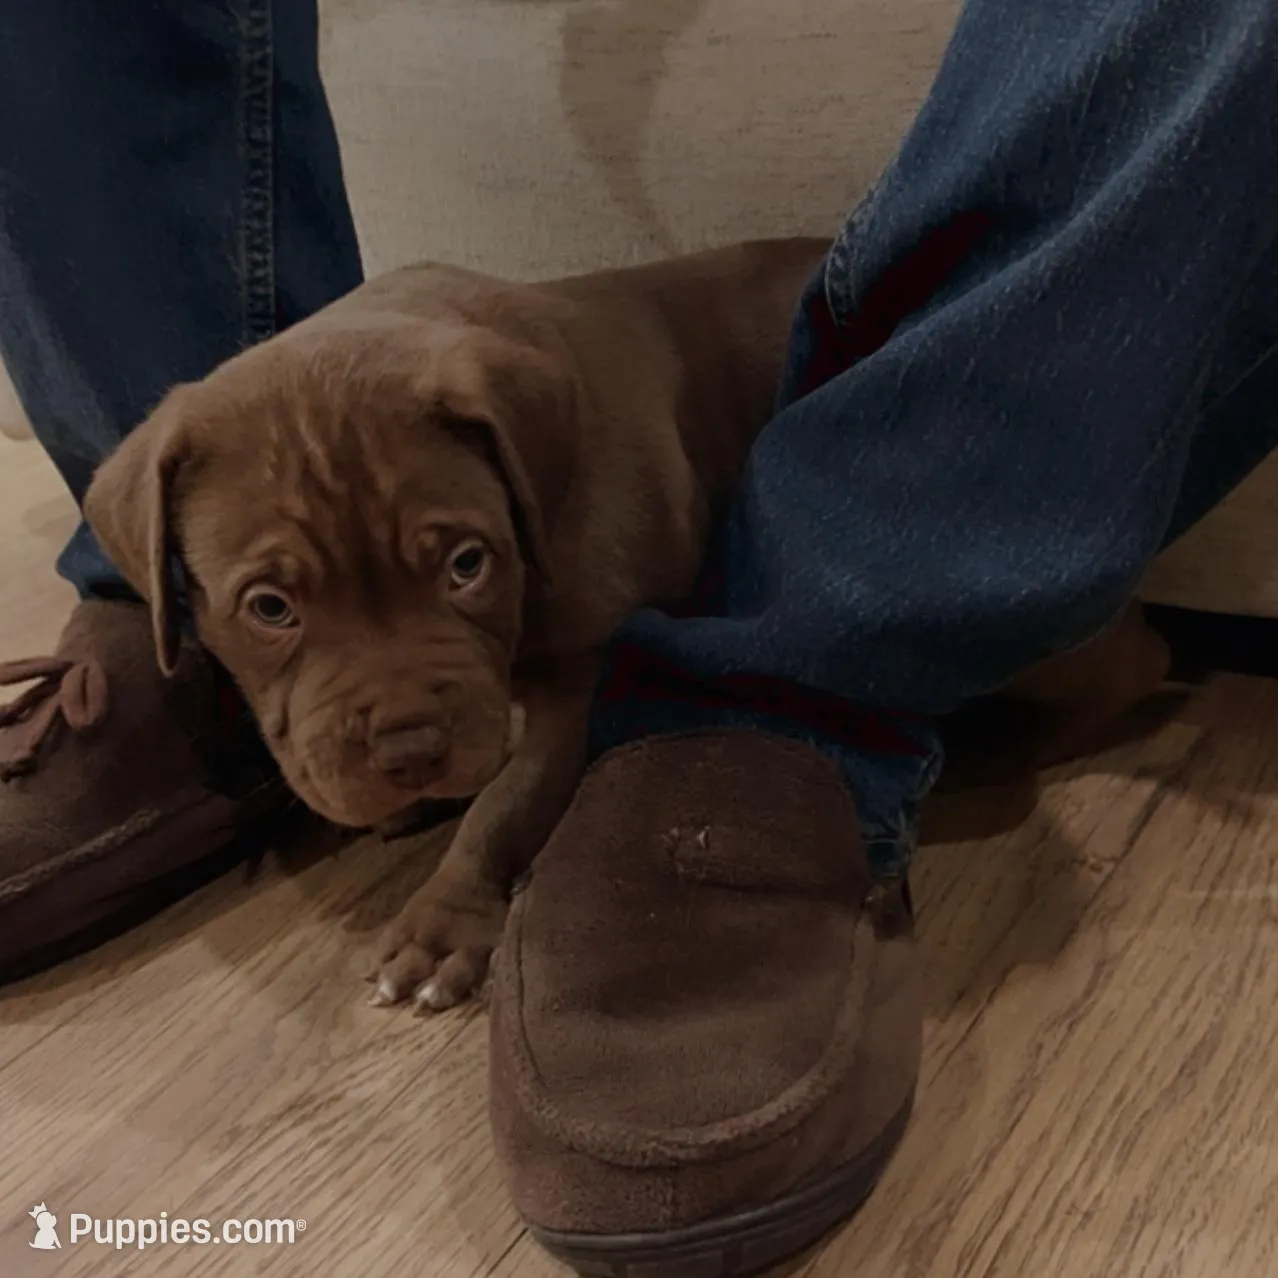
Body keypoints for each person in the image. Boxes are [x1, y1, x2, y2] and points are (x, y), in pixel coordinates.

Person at [2, 0, 1275, 1271]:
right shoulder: (296, 450)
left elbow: (576, 674)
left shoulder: (519, 422)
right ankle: (153, 635)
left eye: (460, 566)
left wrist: (470, 882)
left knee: (1070, 658)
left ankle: (810, 685)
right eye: (271, 606)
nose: (397, 711)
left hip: (933, 494)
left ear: (525, 477)